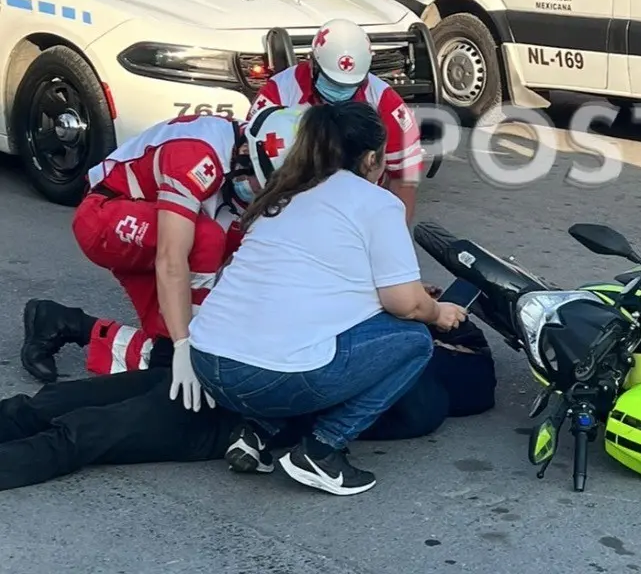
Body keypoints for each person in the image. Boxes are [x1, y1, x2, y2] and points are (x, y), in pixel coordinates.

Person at [187, 100, 469, 496]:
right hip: (264, 376)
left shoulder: (285, 194)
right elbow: (404, 304)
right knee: (412, 341)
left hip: (208, 359)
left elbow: (321, 283)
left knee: (312, 341)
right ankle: (321, 450)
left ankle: (256, 432)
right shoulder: (376, 202)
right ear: (371, 157)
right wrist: (438, 312)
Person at [0, 318, 497, 492]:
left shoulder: (417, 391)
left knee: (81, 433)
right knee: (56, 402)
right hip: (220, 377)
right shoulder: (383, 351)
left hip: (217, 418)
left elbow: (437, 386)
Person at [18, 108, 283, 391]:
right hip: (103, 215)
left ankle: (65, 323)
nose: (259, 195)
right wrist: (186, 342)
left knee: (167, 361)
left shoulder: (257, 160)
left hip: (156, 232)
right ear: (244, 151)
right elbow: (172, 257)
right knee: (206, 244)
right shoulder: (197, 155)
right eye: (259, 185)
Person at [247, 17, 425, 220]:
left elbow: (404, 179)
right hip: (287, 205)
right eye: (332, 82)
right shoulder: (279, 92)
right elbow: (252, 157)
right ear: (312, 63)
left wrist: (393, 236)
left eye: (349, 85)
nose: (340, 91)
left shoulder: (387, 104)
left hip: (357, 211)